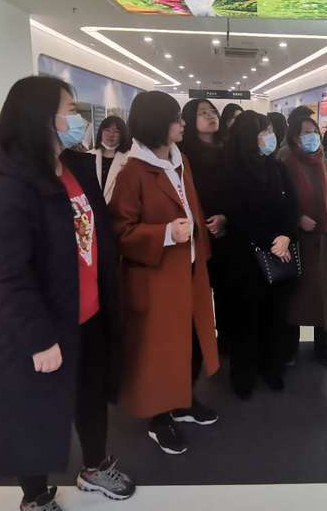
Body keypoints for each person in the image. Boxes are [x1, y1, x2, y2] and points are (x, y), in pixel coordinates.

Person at [0, 76, 134, 511]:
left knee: (91, 395)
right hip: (41, 323)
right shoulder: (9, 179)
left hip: (88, 310)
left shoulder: (76, 166)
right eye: (69, 111)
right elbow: (4, 271)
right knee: (34, 410)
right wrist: (38, 337)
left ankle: (94, 466)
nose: (77, 120)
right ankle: (35, 496)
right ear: (40, 116)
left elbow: (97, 234)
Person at [110, 91, 220, 456]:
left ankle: (183, 400)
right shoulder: (133, 172)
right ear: (157, 123)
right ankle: (159, 419)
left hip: (188, 270)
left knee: (192, 342)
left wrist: (202, 239)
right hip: (156, 278)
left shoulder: (179, 160)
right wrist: (165, 234)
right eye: (176, 118)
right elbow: (120, 231)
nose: (182, 123)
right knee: (159, 351)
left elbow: (191, 208)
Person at [225, 111, 299, 399]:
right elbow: (238, 216)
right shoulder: (232, 171)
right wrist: (271, 241)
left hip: (278, 255)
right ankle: (243, 375)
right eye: (264, 132)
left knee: (275, 315)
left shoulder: (276, 167)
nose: (271, 137)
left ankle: (272, 368)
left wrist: (286, 236)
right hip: (245, 258)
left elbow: (292, 205)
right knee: (246, 319)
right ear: (248, 137)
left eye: (270, 131)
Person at [282, 116, 327, 367]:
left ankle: (325, 345)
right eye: (305, 132)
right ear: (295, 138)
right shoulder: (286, 165)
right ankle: (288, 347)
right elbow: (278, 200)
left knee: (325, 296)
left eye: (314, 131)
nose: (312, 136)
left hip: (326, 242)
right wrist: (297, 218)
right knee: (296, 297)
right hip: (298, 242)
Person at [179, 99, 233, 353]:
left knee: (226, 291)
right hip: (194, 232)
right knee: (197, 290)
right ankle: (199, 344)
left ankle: (225, 340)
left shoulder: (230, 149)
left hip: (227, 231)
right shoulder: (182, 154)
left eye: (213, 111)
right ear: (190, 119)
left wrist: (226, 217)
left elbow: (239, 190)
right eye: (203, 113)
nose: (211, 116)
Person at [90, 116, 131, 203]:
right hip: (92, 207)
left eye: (116, 132)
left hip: (118, 207)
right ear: (101, 132)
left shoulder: (130, 159)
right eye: (107, 130)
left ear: (122, 135)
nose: (111, 135)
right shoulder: (87, 156)